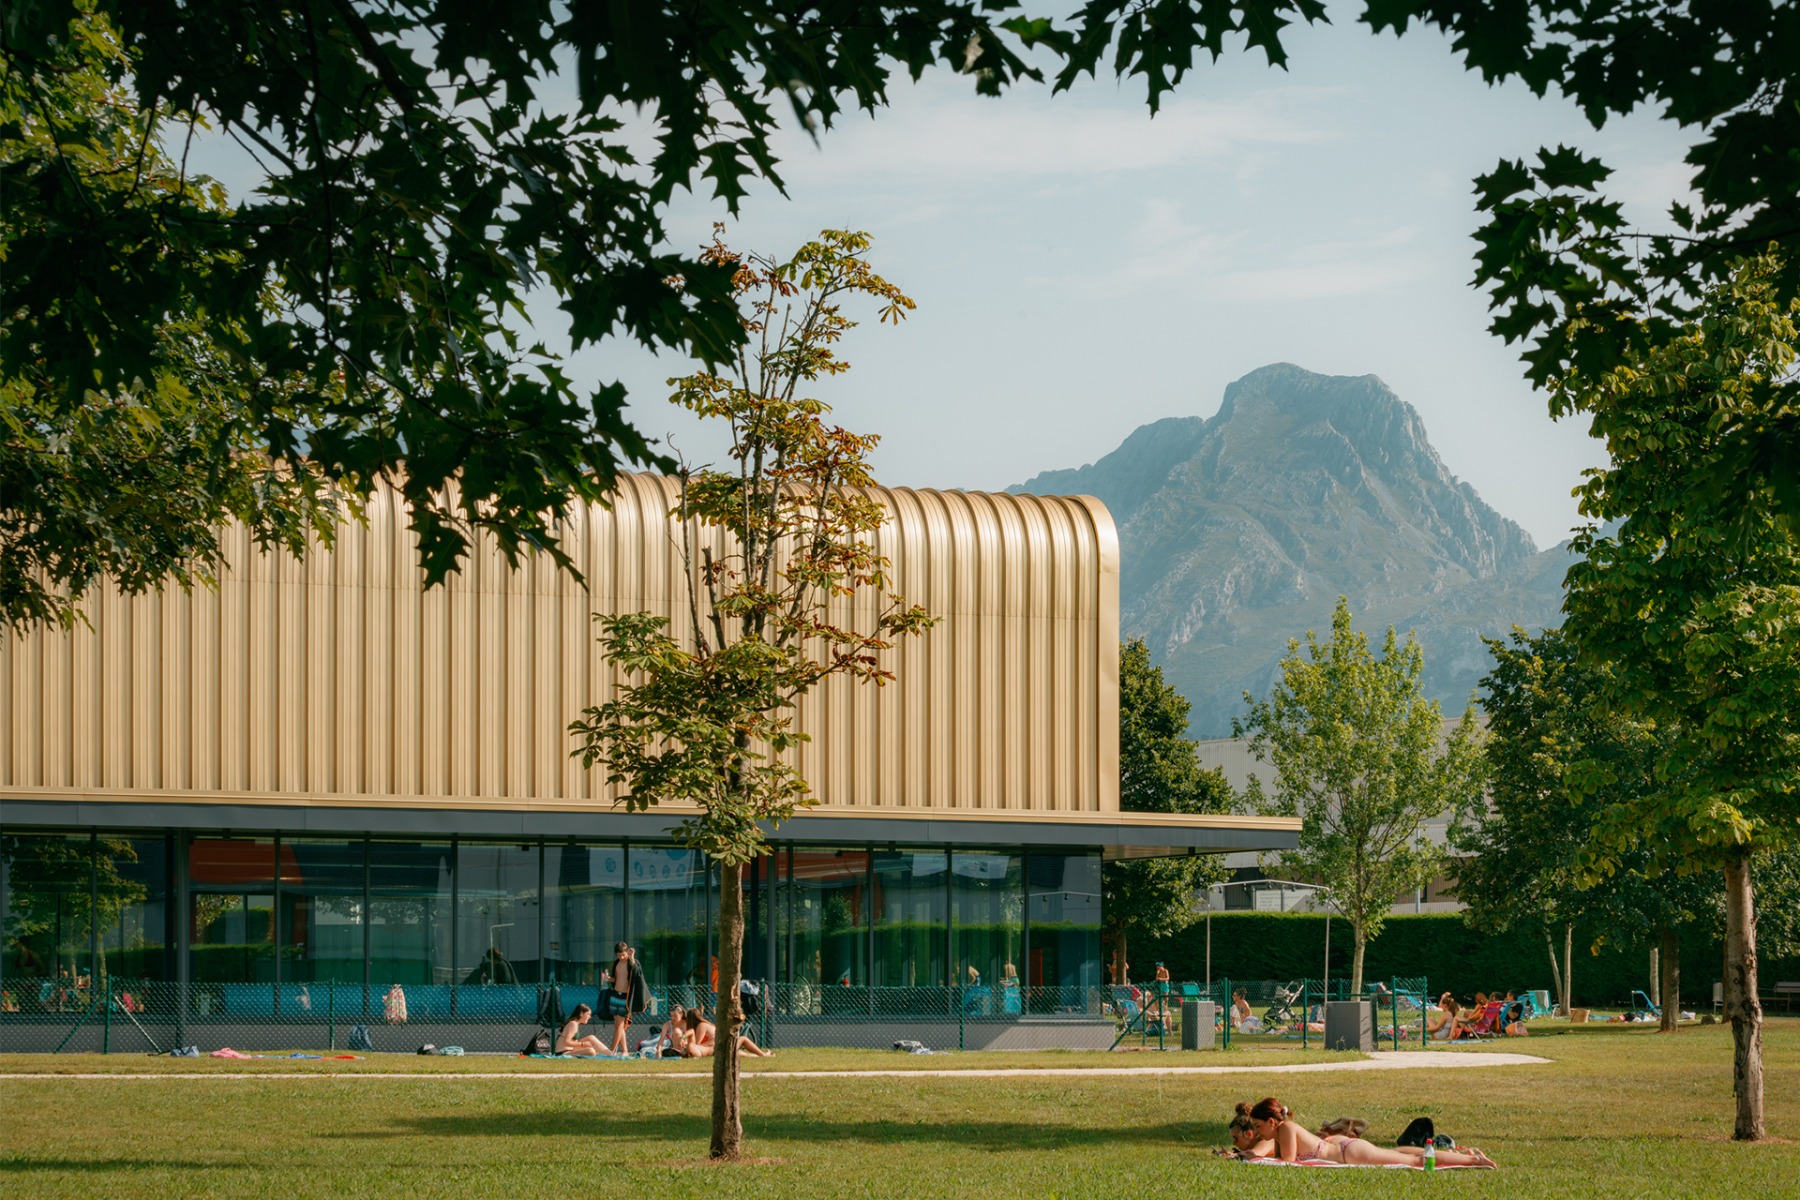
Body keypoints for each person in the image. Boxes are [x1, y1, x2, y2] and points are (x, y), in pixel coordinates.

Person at [1235, 1098, 1495, 1167]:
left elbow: (1286, 1163)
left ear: (1272, 1121)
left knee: (1414, 1161)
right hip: (1344, 1149)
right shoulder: (1280, 1133)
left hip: (1350, 1153)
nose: (1258, 1132)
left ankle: (1473, 1160)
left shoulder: (1287, 1128)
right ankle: (1463, 1154)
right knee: (1396, 1152)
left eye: (1258, 1127)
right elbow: (1277, 1159)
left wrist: (1251, 1157)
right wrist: (1250, 1155)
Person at [681, 1006, 773, 1058]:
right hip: (722, 1044)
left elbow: (697, 1044)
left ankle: (763, 1055)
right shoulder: (706, 1024)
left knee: (743, 1040)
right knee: (737, 1052)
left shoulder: (701, 1026)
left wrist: (685, 1042)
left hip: (722, 1045)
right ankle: (763, 1055)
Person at [604, 942, 637, 1055]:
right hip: (615, 994)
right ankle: (625, 1051)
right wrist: (608, 979)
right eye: (619, 955)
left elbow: (636, 972)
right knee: (617, 1024)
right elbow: (615, 979)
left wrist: (632, 958)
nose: (621, 957)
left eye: (623, 955)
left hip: (625, 996)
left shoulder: (631, 963)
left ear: (627, 952)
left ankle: (611, 1051)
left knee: (620, 1024)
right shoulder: (617, 963)